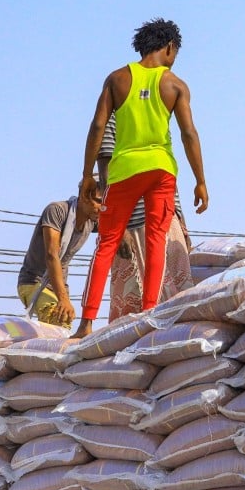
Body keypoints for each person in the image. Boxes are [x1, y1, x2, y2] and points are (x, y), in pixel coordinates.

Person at [73, 17, 209, 339]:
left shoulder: (117, 79)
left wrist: (86, 175)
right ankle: (149, 314)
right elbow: (188, 133)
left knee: (106, 244)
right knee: (156, 240)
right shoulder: (175, 85)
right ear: (170, 47)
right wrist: (200, 180)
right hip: (161, 170)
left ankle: (86, 323)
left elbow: (97, 126)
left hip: (124, 170)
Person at [97, 113, 194, 322]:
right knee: (135, 310)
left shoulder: (157, 118)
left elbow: (169, 178)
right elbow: (106, 178)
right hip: (133, 225)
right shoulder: (113, 120)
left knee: (176, 303)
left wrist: (181, 225)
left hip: (167, 221)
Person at [17, 192, 101, 328]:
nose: (102, 207)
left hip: (59, 287)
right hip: (34, 282)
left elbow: (116, 225)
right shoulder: (57, 210)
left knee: (63, 325)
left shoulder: (92, 220)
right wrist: (63, 299)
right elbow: (51, 255)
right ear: (84, 196)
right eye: (98, 201)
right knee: (56, 319)